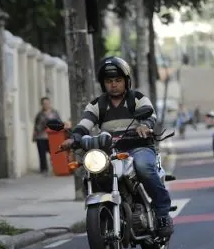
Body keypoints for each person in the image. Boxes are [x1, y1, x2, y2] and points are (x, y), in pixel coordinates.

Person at [59, 56, 174, 238]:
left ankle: (162, 213)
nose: (113, 84)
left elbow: (150, 116)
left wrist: (145, 125)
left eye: (118, 80)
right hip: (110, 152)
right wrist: (74, 138)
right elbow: (84, 125)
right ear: (103, 84)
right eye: (109, 81)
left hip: (139, 147)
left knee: (144, 167)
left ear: (126, 81)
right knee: (93, 173)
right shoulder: (97, 105)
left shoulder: (136, 98)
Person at [32, 97, 61, 174]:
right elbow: (36, 126)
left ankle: (56, 168)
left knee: (54, 153)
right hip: (41, 136)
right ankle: (43, 169)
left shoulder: (55, 113)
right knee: (42, 154)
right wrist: (34, 136)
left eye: (47, 103)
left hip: (53, 136)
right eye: (44, 104)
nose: (46, 105)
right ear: (42, 105)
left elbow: (59, 123)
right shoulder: (39, 114)